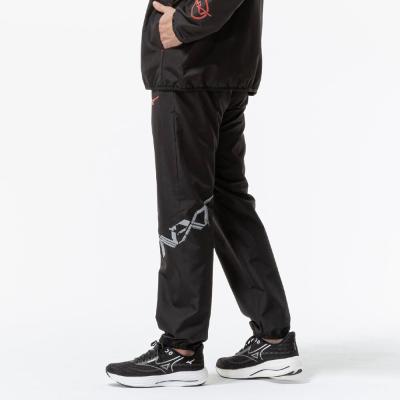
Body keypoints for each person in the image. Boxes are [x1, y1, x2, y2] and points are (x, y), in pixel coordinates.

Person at [106, 0, 301, 387]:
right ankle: (273, 339)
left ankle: (181, 349)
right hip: (220, 66)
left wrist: (183, 23)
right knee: (227, 203)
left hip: (189, 67)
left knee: (184, 204)